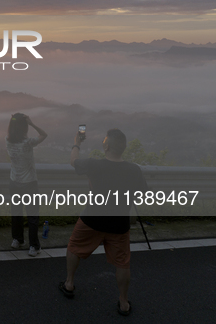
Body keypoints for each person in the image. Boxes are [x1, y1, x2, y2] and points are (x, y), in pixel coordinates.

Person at [59, 128, 148, 316]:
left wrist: (77, 142)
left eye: (104, 141)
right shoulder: (134, 170)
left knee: (74, 247)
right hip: (119, 224)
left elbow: (73, 161)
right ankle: (123, 303)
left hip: (92, 219)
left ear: (106, 146)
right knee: (123, 263)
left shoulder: (94, 164)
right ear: (123, 148)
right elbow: (141, 194)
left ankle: (69, 284)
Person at [6, 113, 48, 256]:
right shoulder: (28, 142)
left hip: (14, 182)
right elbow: (44, 134)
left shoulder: (8, 140)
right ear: (24, 127)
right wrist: (32, 123)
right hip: (29, 183)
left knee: (16, 213)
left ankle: (17, 240)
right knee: (32, 216)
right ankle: (34, 247)